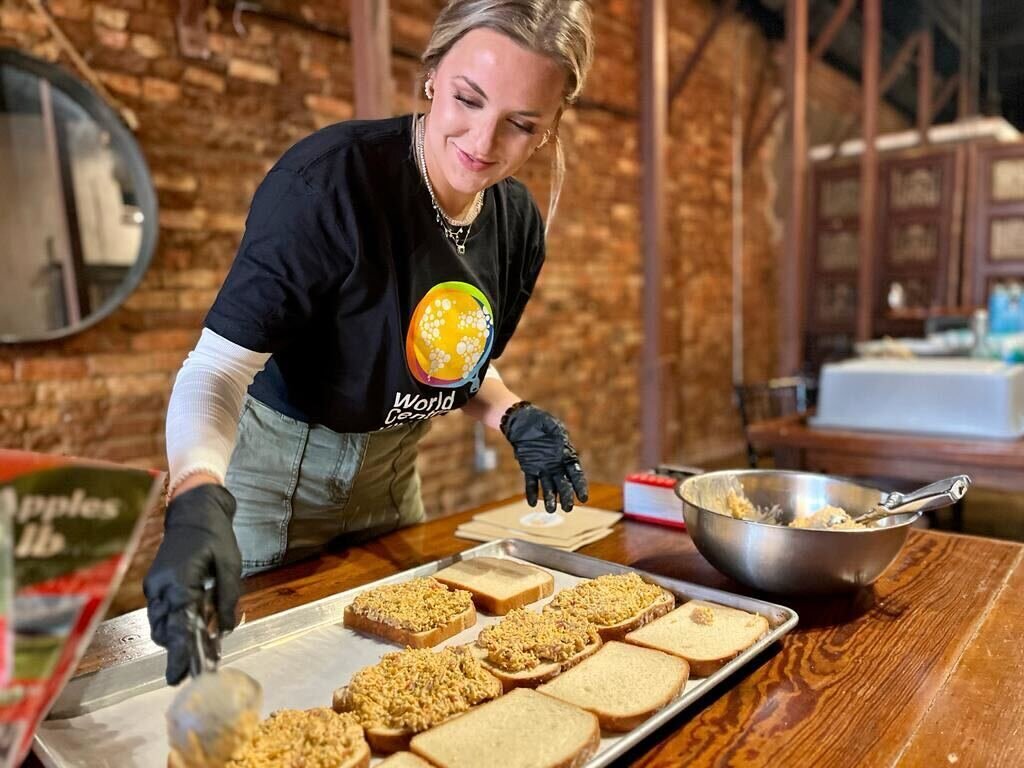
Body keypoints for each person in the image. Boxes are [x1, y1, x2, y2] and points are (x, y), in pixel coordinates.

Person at [143, 0, 595, 685]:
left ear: (550, 127)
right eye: (468, 99)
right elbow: (217, 369)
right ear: (433, 75)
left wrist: (510, 411)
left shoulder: (516, 223)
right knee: (266, 689)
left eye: (521, 123)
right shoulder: (331, 183)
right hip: (273, 482)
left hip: (391, 481)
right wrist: (197, 494)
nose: (482, 138)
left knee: (407, 679)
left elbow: (453, 352)